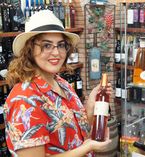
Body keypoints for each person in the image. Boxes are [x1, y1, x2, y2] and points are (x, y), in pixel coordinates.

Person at [3, 10, 112, 157]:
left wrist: (90, 107)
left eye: (61, 45)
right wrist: (88, 148)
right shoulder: (25, 99)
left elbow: (75, 131)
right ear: (29, 49)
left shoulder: (61, 83)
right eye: (47, 46)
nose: (56, 53)